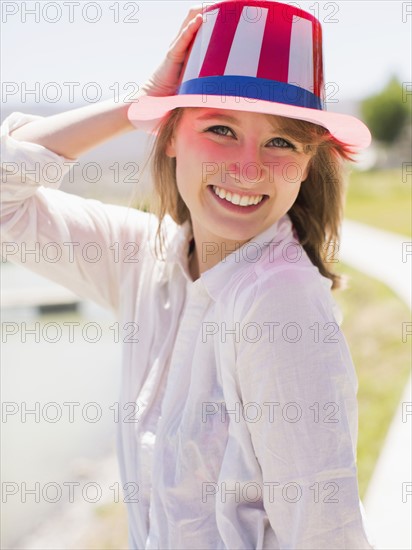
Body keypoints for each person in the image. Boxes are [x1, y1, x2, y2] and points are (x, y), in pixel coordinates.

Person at [1, 0, 376, 548]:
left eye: (280, 142)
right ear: (171, 135)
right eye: (221, 129)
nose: (247, 168)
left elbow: (325, 534)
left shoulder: (278, 304)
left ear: (306, 162)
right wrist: (141, 103)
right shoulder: (145, 257)